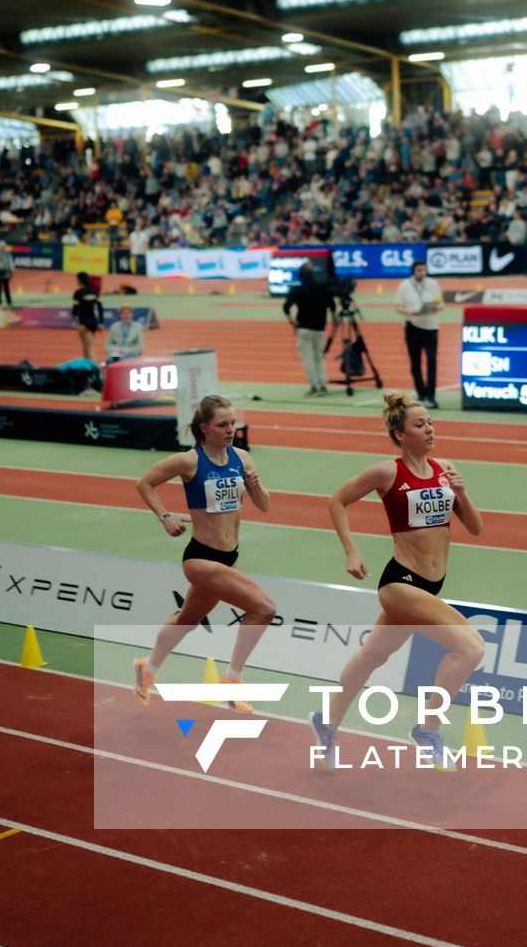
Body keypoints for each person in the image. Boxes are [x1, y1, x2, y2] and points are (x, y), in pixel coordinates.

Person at [315, 393, 485, 771]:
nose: (430, 430)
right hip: (400, 583)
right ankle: (427, 730)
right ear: (400, 434)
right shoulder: (386, 473)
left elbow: (475, 528)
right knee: (471, 648)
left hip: (430, 585)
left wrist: (462, 492)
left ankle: (326, 722)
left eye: (431, 423)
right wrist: (351, 551)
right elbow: (337, 500)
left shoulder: (445, 469)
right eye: (419, 425)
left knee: (374, 655)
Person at [132, 393, 274, 711]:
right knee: (264, 609)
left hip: (229, 557)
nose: (230, 429)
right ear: (204, 428)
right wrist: (165, 517)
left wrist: (255, 485)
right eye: (222, 425)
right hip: (200, 557)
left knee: (188, 619)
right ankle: (232, 680)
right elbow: (144, 484)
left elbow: (264, 506)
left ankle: (147, 668)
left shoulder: (242, 458)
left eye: (233, 423)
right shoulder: (189, 461)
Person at [282, 258, 336, 396]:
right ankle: (323, 386)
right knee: (319, 358)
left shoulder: (297, 289)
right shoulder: (323, 287)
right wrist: (334, 318)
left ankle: (313, 386)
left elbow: (286, 307)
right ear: (313, 274)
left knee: (308, 359)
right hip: (320, 328)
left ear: (301, 275)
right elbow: (332, 305)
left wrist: (292, 322)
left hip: (304, 328)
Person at [394, 259, 443, 408]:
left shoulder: (433, 284)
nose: (422, 273)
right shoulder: (404, 285)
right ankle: (421, 393)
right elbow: (397, 306)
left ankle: (431, 396)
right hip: (413, 328)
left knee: (432, 361)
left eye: (424, 270)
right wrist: (408, 311)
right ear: (413, 271)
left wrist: (436, 308)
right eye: (419, 270)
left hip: (431, 327)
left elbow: (441, 303)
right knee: (415, 363)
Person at [71, 272, 104, 382]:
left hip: (84, 323)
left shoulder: (78, 293)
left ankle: (95, 373)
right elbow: (100, 308)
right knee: (87, 348)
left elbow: (75, 310)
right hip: (93, 322)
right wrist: (101, 322)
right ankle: (87, 371)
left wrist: (76, 319)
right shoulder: (94, 292)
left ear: (79, 280)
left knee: (88, 348)